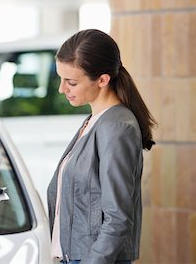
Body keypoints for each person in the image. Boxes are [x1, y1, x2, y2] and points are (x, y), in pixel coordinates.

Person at [47, 29, 157, 264]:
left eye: (72, 82)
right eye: (61, 78)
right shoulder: (95, 121)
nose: (61, 89)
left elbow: (117, 217)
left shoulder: (116, 128)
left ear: (103, 80)